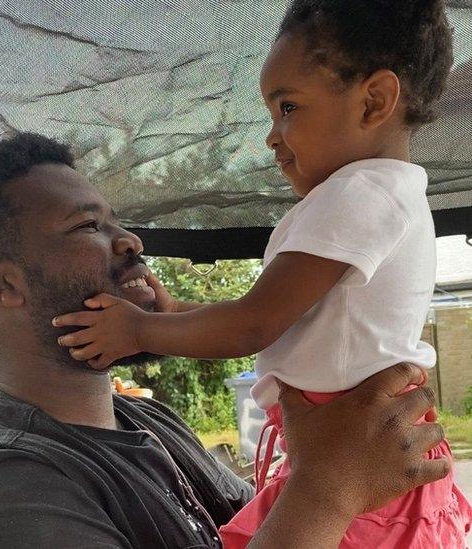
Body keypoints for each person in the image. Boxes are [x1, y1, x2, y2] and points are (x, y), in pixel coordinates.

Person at [52, 0, 472, 547]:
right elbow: (281, 320)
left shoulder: (359, 195)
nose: (273, 136)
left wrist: (138, 330)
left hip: (353, 450)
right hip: (358, 441)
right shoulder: (383, 195)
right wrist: (179, 312)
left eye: (289, 108)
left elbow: (252, 325)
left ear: (374, 101)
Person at [0, 134, 452, 548]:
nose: (131, 241)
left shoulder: (151, 423)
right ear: (0, 284)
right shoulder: (3, 494)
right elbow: (316, 504)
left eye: (117, 222)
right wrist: (330, 489)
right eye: (87, 226)